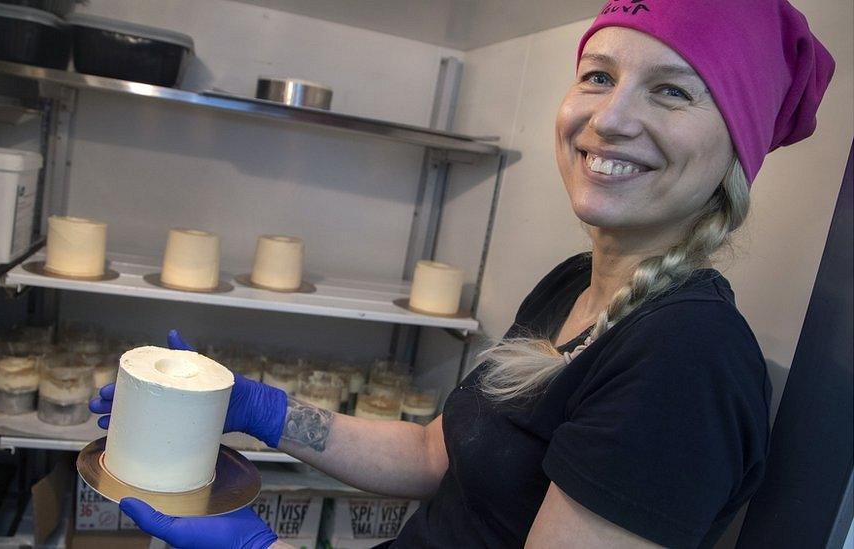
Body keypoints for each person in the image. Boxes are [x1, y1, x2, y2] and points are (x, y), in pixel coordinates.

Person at [90, 1, 835, 547]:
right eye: (598, 76)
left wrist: (262, 548)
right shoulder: (573, 284)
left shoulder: (686, 359)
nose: (609, 119)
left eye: (671, 89)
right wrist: (264, 410)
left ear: (735, 148)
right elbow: (432, 452)